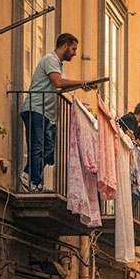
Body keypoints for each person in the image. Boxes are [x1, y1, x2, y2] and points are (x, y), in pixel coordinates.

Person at [20, 33, 91, 191]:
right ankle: (36, 183)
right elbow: (59, 82)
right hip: (35, 109)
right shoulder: (50, 59)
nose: (74, 53)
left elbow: (63, 85)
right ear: (65, 46)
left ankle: (27, 174)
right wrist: (83, 82)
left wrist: (84, 87)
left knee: (48, 150)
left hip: (47, 114)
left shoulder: (59, 65)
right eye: (73, 49)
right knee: (37, 147)